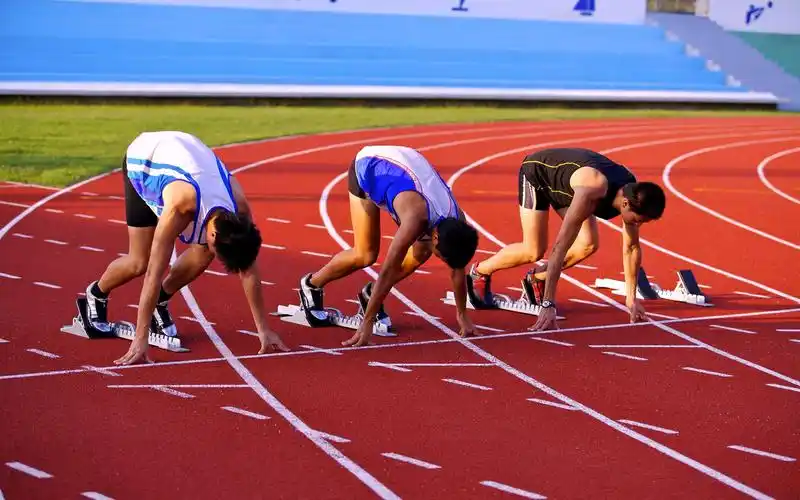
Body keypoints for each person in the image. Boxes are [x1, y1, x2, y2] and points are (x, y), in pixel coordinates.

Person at [80, 131, 289, 365]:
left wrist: (264, 329)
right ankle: (95, 295)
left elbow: (247, 267)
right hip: (145, 160)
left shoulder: (239, 208)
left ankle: (160, 301)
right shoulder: (179, 207)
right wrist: (141, 339)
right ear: (213, 234)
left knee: (204, 252)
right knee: (140, 262)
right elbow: (153, 274)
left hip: (185, 155)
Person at [467, 147, 666, 331]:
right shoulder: (592, 190)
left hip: (569, 186)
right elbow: (560, 247)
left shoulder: (633, 191)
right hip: (538, 175)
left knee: (587, 245)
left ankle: (537, 279)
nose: (639, 224)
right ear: (625, 204)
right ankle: (480, 272)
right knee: (533, 250)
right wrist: (548, 304)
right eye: (638, 220)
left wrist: (631, 299)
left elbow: (631, 248)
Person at [299, 145, 479, 347]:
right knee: (365, 255)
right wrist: (367, 322)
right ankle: (311, 285)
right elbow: (388, 269)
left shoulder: (457, 223)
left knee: (421, 252)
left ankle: (371, 294)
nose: (445, 262)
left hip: (405, 168)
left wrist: (462, 314)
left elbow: (457, 269)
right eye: (442, 257)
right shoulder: (414, 219)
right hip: (370, 166)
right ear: (435, 236)